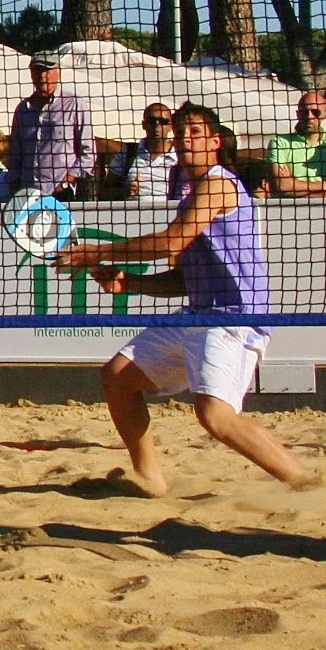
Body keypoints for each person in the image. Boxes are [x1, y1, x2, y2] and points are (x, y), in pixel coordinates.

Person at [54, 102, 316, 497]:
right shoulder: (190, 197)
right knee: (117, 378)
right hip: (198, 313)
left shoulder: (218, 185)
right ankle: (149, 478)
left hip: (233, 318)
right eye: (180, 133)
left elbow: (171, 242)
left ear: (215, 141)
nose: (185, 139)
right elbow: (185, 278)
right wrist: (132, 283)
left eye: (195, 132)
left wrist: (96, 251)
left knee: (215, 416)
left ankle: (305, 484)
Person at [7, 51, 96, 201]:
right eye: (37, 70)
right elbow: (15, 154)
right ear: (31, 74)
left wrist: (67, 181)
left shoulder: (75, 105)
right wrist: (14, 185)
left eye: (47, 70)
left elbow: (88, 152)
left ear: (58, 72)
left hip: (62, 196)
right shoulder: (23, 109)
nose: (43, 76)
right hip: (27, 196)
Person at [103, 102, 181, 201]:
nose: (157, 125)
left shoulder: (180, 155)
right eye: (152, 121)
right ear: (144, 125)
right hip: (133, 210)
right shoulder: (128, 152)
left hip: (169, 210)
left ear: (171, 126)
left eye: (163, 121)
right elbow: (104, 192)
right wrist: (123, 192)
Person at [267, 90, 326, 198]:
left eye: (315, 112)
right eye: (304, 112)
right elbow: (282, 186)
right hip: (290, 208)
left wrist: (295, 186)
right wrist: (323, 186)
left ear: (324, 114)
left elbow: (288, 187)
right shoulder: (280, 143)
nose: (309, 116)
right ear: (298, 114)